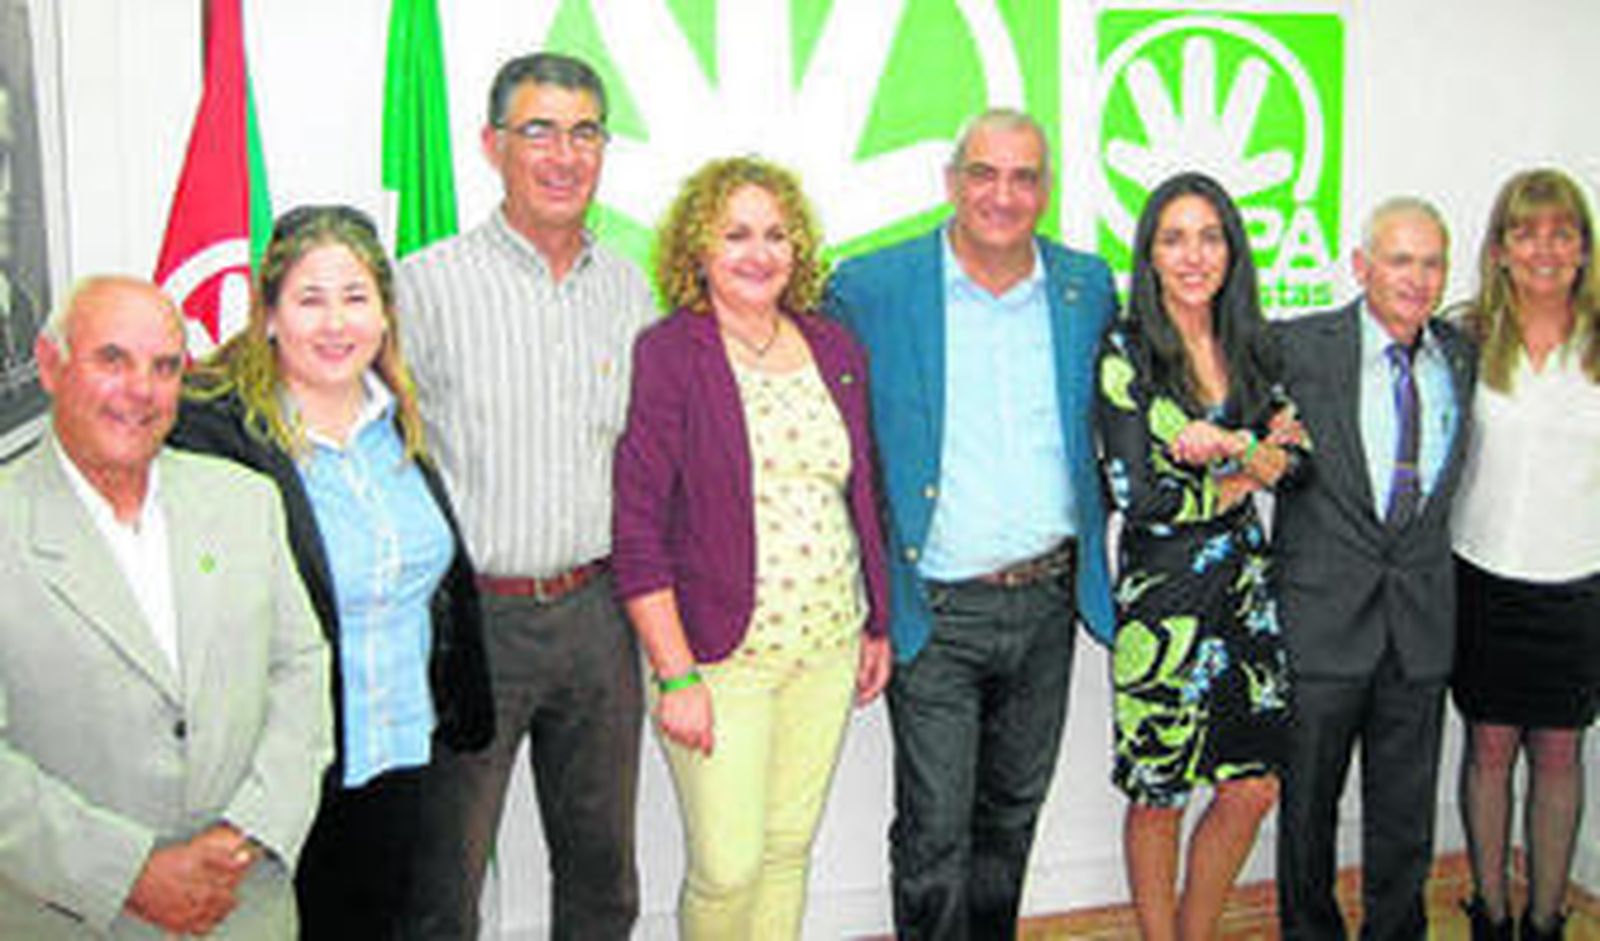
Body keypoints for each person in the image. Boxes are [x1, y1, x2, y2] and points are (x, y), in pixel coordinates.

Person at [827, 107, 1118, 939]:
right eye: (984, 174)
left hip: (1046, 598)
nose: (1003, 194)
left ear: (1047, 190)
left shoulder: (1084, 285)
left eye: (1024, 176)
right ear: (951, 182)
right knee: (933, 831)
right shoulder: (871, 288)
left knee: (1011, 816)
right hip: (937, 608)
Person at [167, 205, 494, 938]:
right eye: (310, 299)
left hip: (409, 751)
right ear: (271, 314)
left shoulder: (401, 421)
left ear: (384, 313)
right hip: (290, 770)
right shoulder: (217, 434)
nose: (335, 322)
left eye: (355, 298)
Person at [396, 52, 655, 939]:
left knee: (603, 875)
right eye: (537, 129)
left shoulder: (630, 288)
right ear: (490, 145)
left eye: (584, 132)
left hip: (597, 615)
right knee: (444, 881)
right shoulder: (423, 286)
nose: (563, 153)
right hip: (474, 623)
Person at [0, 275, 331, 937]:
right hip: (76, 914)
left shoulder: (245, 500)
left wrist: (248, 831)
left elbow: (300, 666)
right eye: (111, 359)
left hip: (243, 901)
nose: (140, 390)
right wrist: (130, 873)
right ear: (51, 363)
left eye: (165, 366)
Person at [612, 155, 891, 938]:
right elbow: (637, 527)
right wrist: (676, 675)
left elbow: (862, 489)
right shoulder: (671, 352)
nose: (758, 251)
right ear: (697, 249)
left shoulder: (833, 346)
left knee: (786, 848)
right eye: (735, 234)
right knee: (728, 862)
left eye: (775, 233)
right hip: (719, 655)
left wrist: (877, 623)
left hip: (829, 644)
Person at [1094, 172, 1307, 940]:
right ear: (1149, 252)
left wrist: (1236, 448)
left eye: (1210, 236)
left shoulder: (1254, 344)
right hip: (1164, 600)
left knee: (1251, 787)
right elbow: (1138, 492)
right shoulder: (1126, 348)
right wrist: (1246, 471)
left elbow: (1301, 457)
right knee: (1159, 790)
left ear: (1232, 249)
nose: (1193, 254)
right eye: (1174, 237)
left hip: (1246, 593)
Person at [1273, 198, 1476, 940]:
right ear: (1361, 267)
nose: (1416, 278)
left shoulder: (1462, 355)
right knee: (1307, 816)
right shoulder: (1298, 346)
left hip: (1418, 625)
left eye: (1431, 262)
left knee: (1404, 817)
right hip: (1322, 619)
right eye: (1400, 259)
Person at [1448, 168, 1600, 941]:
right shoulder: (1466, 336)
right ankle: (1491, 912)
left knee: (1561, 755)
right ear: (1501, 248)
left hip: (1576, 584)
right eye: (1525, 230)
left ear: (1583, 248)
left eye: (1562, 231)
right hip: (1482, 574)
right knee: (1488, 749)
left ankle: (1545, 918)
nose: (1544, 247)